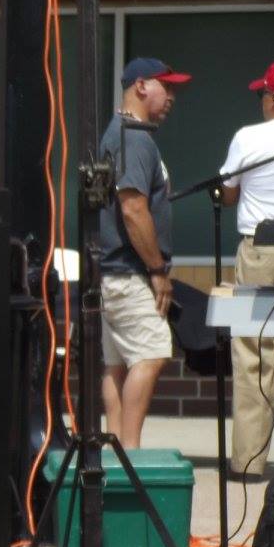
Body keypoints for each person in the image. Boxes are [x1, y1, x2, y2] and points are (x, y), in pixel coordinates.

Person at [98, 57, 191, 449]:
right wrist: (157, 270)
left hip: (112, 272)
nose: (171, 96)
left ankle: (116, 456)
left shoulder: (119, 132)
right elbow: (133, 207)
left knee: (117, 365)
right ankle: (130, 455)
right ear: (140, 86)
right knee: (152, 355)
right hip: (130, 271)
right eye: (165, 87)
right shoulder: (134, 138)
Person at [222, 61, 274, 479]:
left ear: (273, 99)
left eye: (262, 94)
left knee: (252, 353)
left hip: (260, 251)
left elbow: (227, 194)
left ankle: (248, 463)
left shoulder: (248, 137)